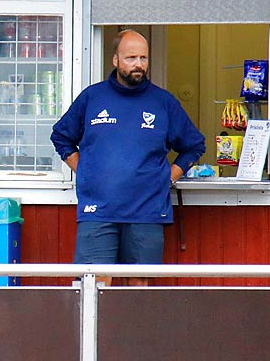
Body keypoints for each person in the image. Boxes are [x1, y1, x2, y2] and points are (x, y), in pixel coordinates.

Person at [51, 29, 204, 271]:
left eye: (143, 58)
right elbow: (61, 136)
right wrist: (85, 171)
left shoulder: (163, 102)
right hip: (97, 212)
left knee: (138, 289)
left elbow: (194, 146)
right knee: (94, 283)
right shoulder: (93, 97)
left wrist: (168, 178)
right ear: (116, 60)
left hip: (147, 212)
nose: (138, 65)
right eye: (131, 58)